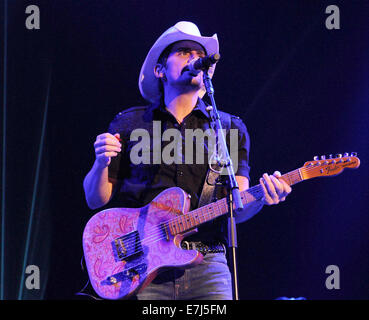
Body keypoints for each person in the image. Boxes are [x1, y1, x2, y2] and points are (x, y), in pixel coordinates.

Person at [83, 21, 292, 300]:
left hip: (208, 265)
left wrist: (264, 197)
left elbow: (237, 208)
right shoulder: (129, 123)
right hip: (141, 264)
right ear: (160, 70)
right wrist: (101, 163)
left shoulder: (229, 129)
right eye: (183, 52)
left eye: (198, 55)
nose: (194, 59)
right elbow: (96, 199)